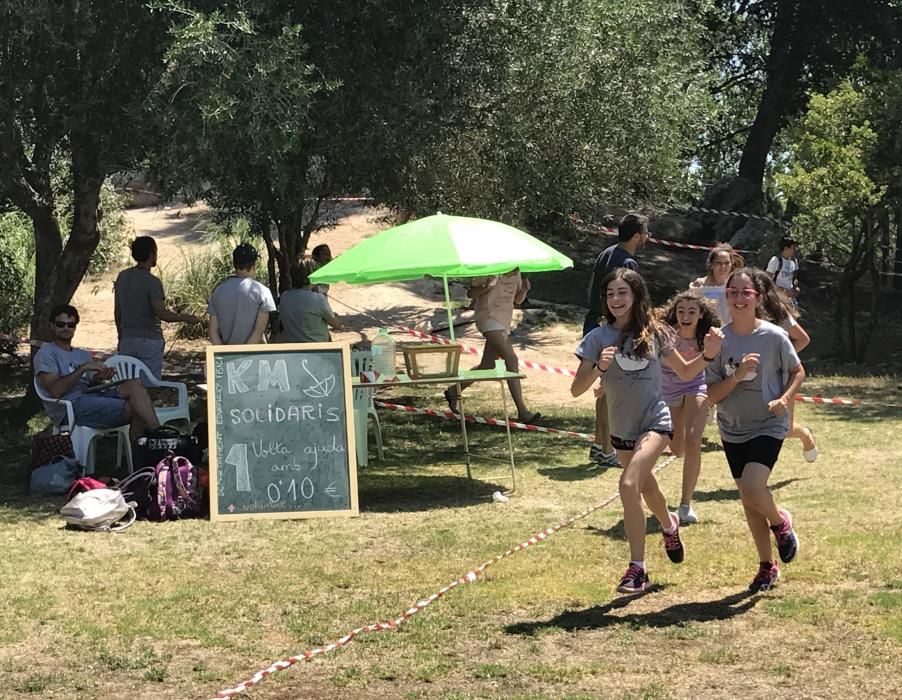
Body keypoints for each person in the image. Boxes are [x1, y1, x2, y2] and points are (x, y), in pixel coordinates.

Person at [571, 268, 724, 594]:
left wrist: (708, 354)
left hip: (656, 422)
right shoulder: (597, 339)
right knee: (648, 489)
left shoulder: (656, 333)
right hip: (621, 430)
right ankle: (669, 524)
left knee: (628, 484)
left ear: (636, 295)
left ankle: (637, 569)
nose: (615, 299)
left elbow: (685, 372)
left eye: (622, 292)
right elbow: (575, 389)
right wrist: (600, 367)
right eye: (610, 293)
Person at [706, 268, 803, 593]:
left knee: (751, 486)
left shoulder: (774, 336)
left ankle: (780, 523)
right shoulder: (720, 339)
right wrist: (736, 376)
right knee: (749, 501)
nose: (738, 298)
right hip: (732, 427)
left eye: (745, 292)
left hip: (768, 424)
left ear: (758, 297)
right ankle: (766, 566)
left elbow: (797, 371)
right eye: (732, 292)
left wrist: (784, 398)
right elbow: (713, 394)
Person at [35, 304, 161, 442]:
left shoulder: (81, 354)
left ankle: (156, 435)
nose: (66, 328)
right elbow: (56, 391)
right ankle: (157, 441)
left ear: (75, 327)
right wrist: (82, 368)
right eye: (61, 324)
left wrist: (100, 378)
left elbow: (88, 385)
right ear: (52, 326)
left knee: (134, 384)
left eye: (70, 325)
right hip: (70, 407)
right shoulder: (46, 353)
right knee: (138, 409)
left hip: (90, 398)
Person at [582, 214, 650, 468]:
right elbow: (634, 300)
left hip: (594, 324)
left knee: (604, 389)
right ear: (636, 236)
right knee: (614, 391)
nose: (647, 237)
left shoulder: (606, 253)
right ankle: (609, 449)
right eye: (645, 232)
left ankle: (600, 446)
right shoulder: (628, 263)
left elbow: (591, 288)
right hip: (614, 330)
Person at [444, 268, 540, 425]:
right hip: (488, 317)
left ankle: (454, 390)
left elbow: (517, 300)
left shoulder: (517, 273)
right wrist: (487, 287)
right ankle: (522, 411)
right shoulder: (490, 269)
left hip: (503, 321)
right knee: (511, 359)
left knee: (487, 365)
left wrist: (524, 290)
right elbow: (471, 293)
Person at [659, 289, 722, 525]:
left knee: (694, 441)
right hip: (669, 389)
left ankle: (685, 504)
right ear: (674, 313)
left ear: (701, 314)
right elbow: (683, 368)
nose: (685, 316)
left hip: (696, 386)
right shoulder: (666, 335)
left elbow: (715, 359)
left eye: (691, 311)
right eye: (681, 310)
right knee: (678, 448)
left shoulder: (707, 336)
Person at [752, 269, 817, 462]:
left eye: (753, 290)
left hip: (781, 377)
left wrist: (781, 360)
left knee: (785, 429)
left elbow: (803, 339)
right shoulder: (738, 311)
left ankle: (805, 435)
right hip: (751, 377)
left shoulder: (778, 313)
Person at [114, 236, 200, 378]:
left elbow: (118, 311)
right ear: (151, 254)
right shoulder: (152, 282)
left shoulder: (123, 277)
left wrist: (121, 336)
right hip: (149, 340)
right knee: (149, 384)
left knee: (128, 384)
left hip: (127, 339)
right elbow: (161, 313)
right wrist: (186, 318)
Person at [208, 244, 277, 345]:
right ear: (254, 265)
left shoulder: (219, 291)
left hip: (226, 356)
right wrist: (243, 354)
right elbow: (258, 332)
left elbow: (212, 331)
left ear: (235, 265)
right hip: (252, 357)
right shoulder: (262, 292)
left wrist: (224, 355)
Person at [278, 266, 343, 343]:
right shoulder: (317, 299)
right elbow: (337, 325)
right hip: (318, 349)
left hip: (293, 348)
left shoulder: (285, 296)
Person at [690, 243, 744, 325]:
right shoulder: (699, 284)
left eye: (726, 263)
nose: (723, 266)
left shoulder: (737, 285)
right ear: (711, 265)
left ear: (731, 264)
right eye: (718, 263)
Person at [766, 236, 800, 306]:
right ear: (786, 248)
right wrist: (783, 291)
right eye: (793, 247)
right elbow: (766, 281)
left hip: (789, 302)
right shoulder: (775, 260)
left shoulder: (793, 262)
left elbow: (793, 279)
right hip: (776, 301)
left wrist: (795, 289)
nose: (796, 250)